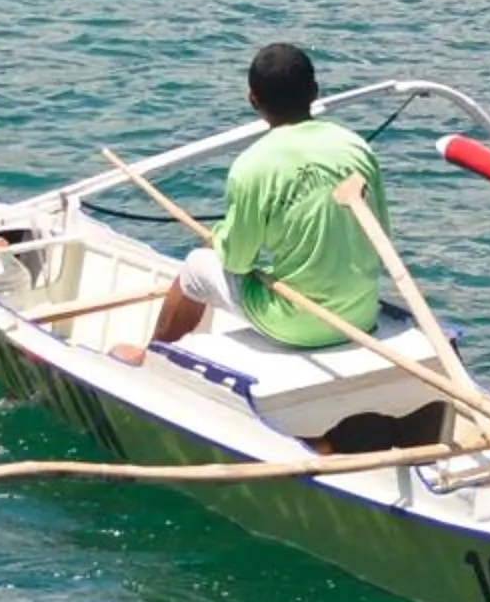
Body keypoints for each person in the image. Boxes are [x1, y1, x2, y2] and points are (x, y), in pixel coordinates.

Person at [115, 43, 386, 363]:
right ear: (314, 91)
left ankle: (150, 357)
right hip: (361, 314)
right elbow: (379, 237)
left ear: (253, 99)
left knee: (195, 266)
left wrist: (220, 238)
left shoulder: (252, 165)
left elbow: (237, 262)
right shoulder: (357, 148)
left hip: (299, 325)